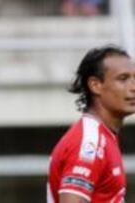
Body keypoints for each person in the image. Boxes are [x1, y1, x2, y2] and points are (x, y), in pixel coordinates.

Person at [47, 45, 135, 203]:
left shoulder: (103, 136)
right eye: (123, 79)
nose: (133, 87)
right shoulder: (90, 142)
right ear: (95, 85)